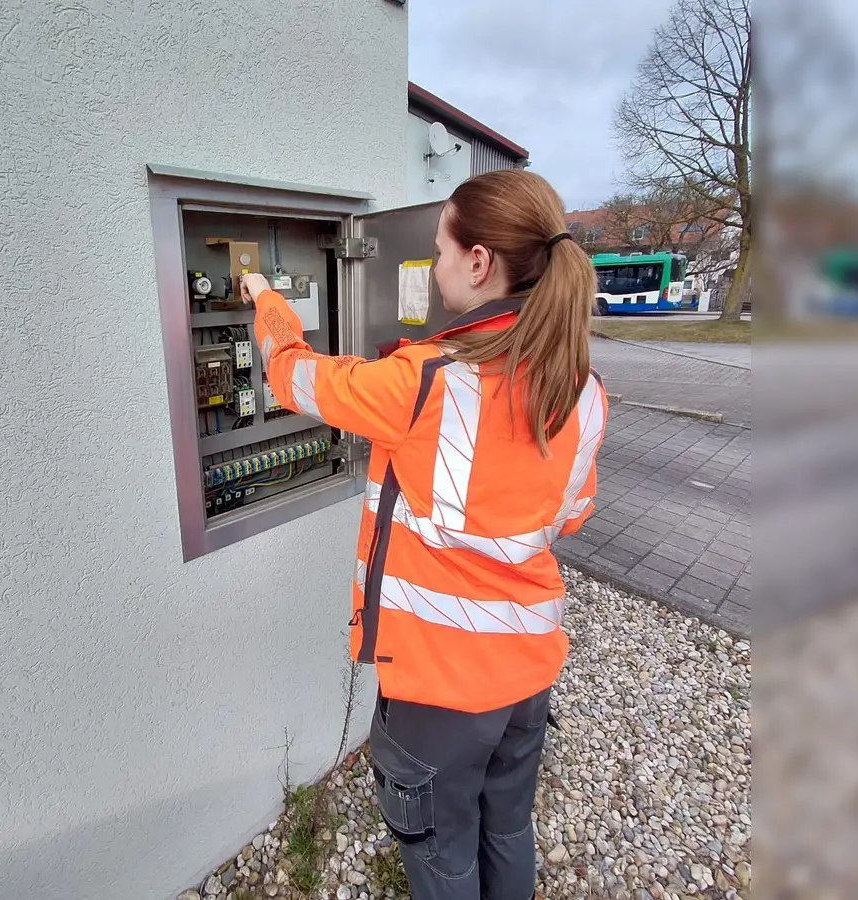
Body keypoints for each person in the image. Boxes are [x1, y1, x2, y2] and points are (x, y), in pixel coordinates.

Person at [241, 169, 607, 900]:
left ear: (479, 263)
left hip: (440, 691)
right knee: (505, 828)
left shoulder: (420, 383)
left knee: (442, 855)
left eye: (441, 250)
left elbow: (292, 377)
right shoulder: (582, 390)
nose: (435, 268)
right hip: (528, 675)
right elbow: (568, 516)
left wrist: (264, 297)